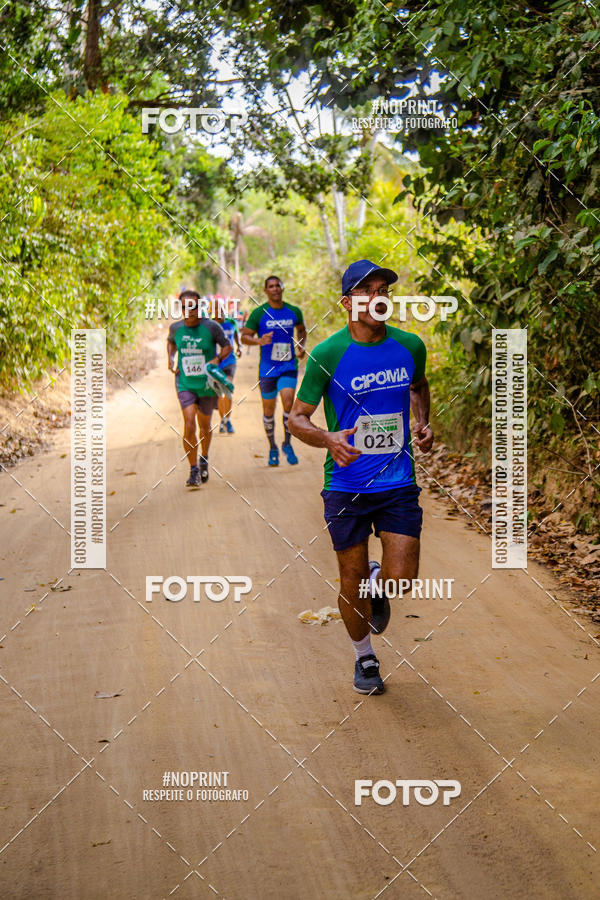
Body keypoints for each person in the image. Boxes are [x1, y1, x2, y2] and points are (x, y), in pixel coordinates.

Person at [289, 259, 434, 695]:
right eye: (367, 291)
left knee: (402, 577)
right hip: (346, 485)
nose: (378, 298)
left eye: (383, 291)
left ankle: (379, 581)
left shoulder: (410, 346)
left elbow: (419, 385)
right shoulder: (328, 354)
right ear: (347, 302)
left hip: (397, 483)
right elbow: (297, 418)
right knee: (349, 578)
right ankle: (364, 657)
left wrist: (423, 422)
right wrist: (328, 438)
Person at [167, 290, 231, 487]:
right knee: (188, 425)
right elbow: (170, 343)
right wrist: (170, 358)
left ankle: (204, 458)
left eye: (193, 306)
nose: (190, 310)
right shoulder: (176, 328)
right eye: (185, 307)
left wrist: (217, 359)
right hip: (185, 382)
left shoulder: (211, 327)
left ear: (200, 307)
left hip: (206, 385)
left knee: (204, 426)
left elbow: (227, 346)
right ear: (181, 308)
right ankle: (193, 470)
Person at [241, 276, 307, 466]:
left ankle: (287, 443)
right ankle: (272, 447)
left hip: (288, 365)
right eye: (271, 286)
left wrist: (301, 346)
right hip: (267, 369)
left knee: (288, 402)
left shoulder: (294, 311)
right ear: (266, 291)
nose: (275, 289)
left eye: (278, 285)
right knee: (268, 409)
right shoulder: (259, 313)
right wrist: (258, 341)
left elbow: (302, 330)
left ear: (282, 287)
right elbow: (245, 336)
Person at [213, 304, 242, 433]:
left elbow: (235, 335)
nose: (219, 312)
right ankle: (222, 420)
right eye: (216, 310)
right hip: (216, 362)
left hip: (230, 361)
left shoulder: (231, 323)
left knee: (228, 388)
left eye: (221, 310)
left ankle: (228, 421)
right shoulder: (211, 325)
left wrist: (239, 347)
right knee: (220, 391)